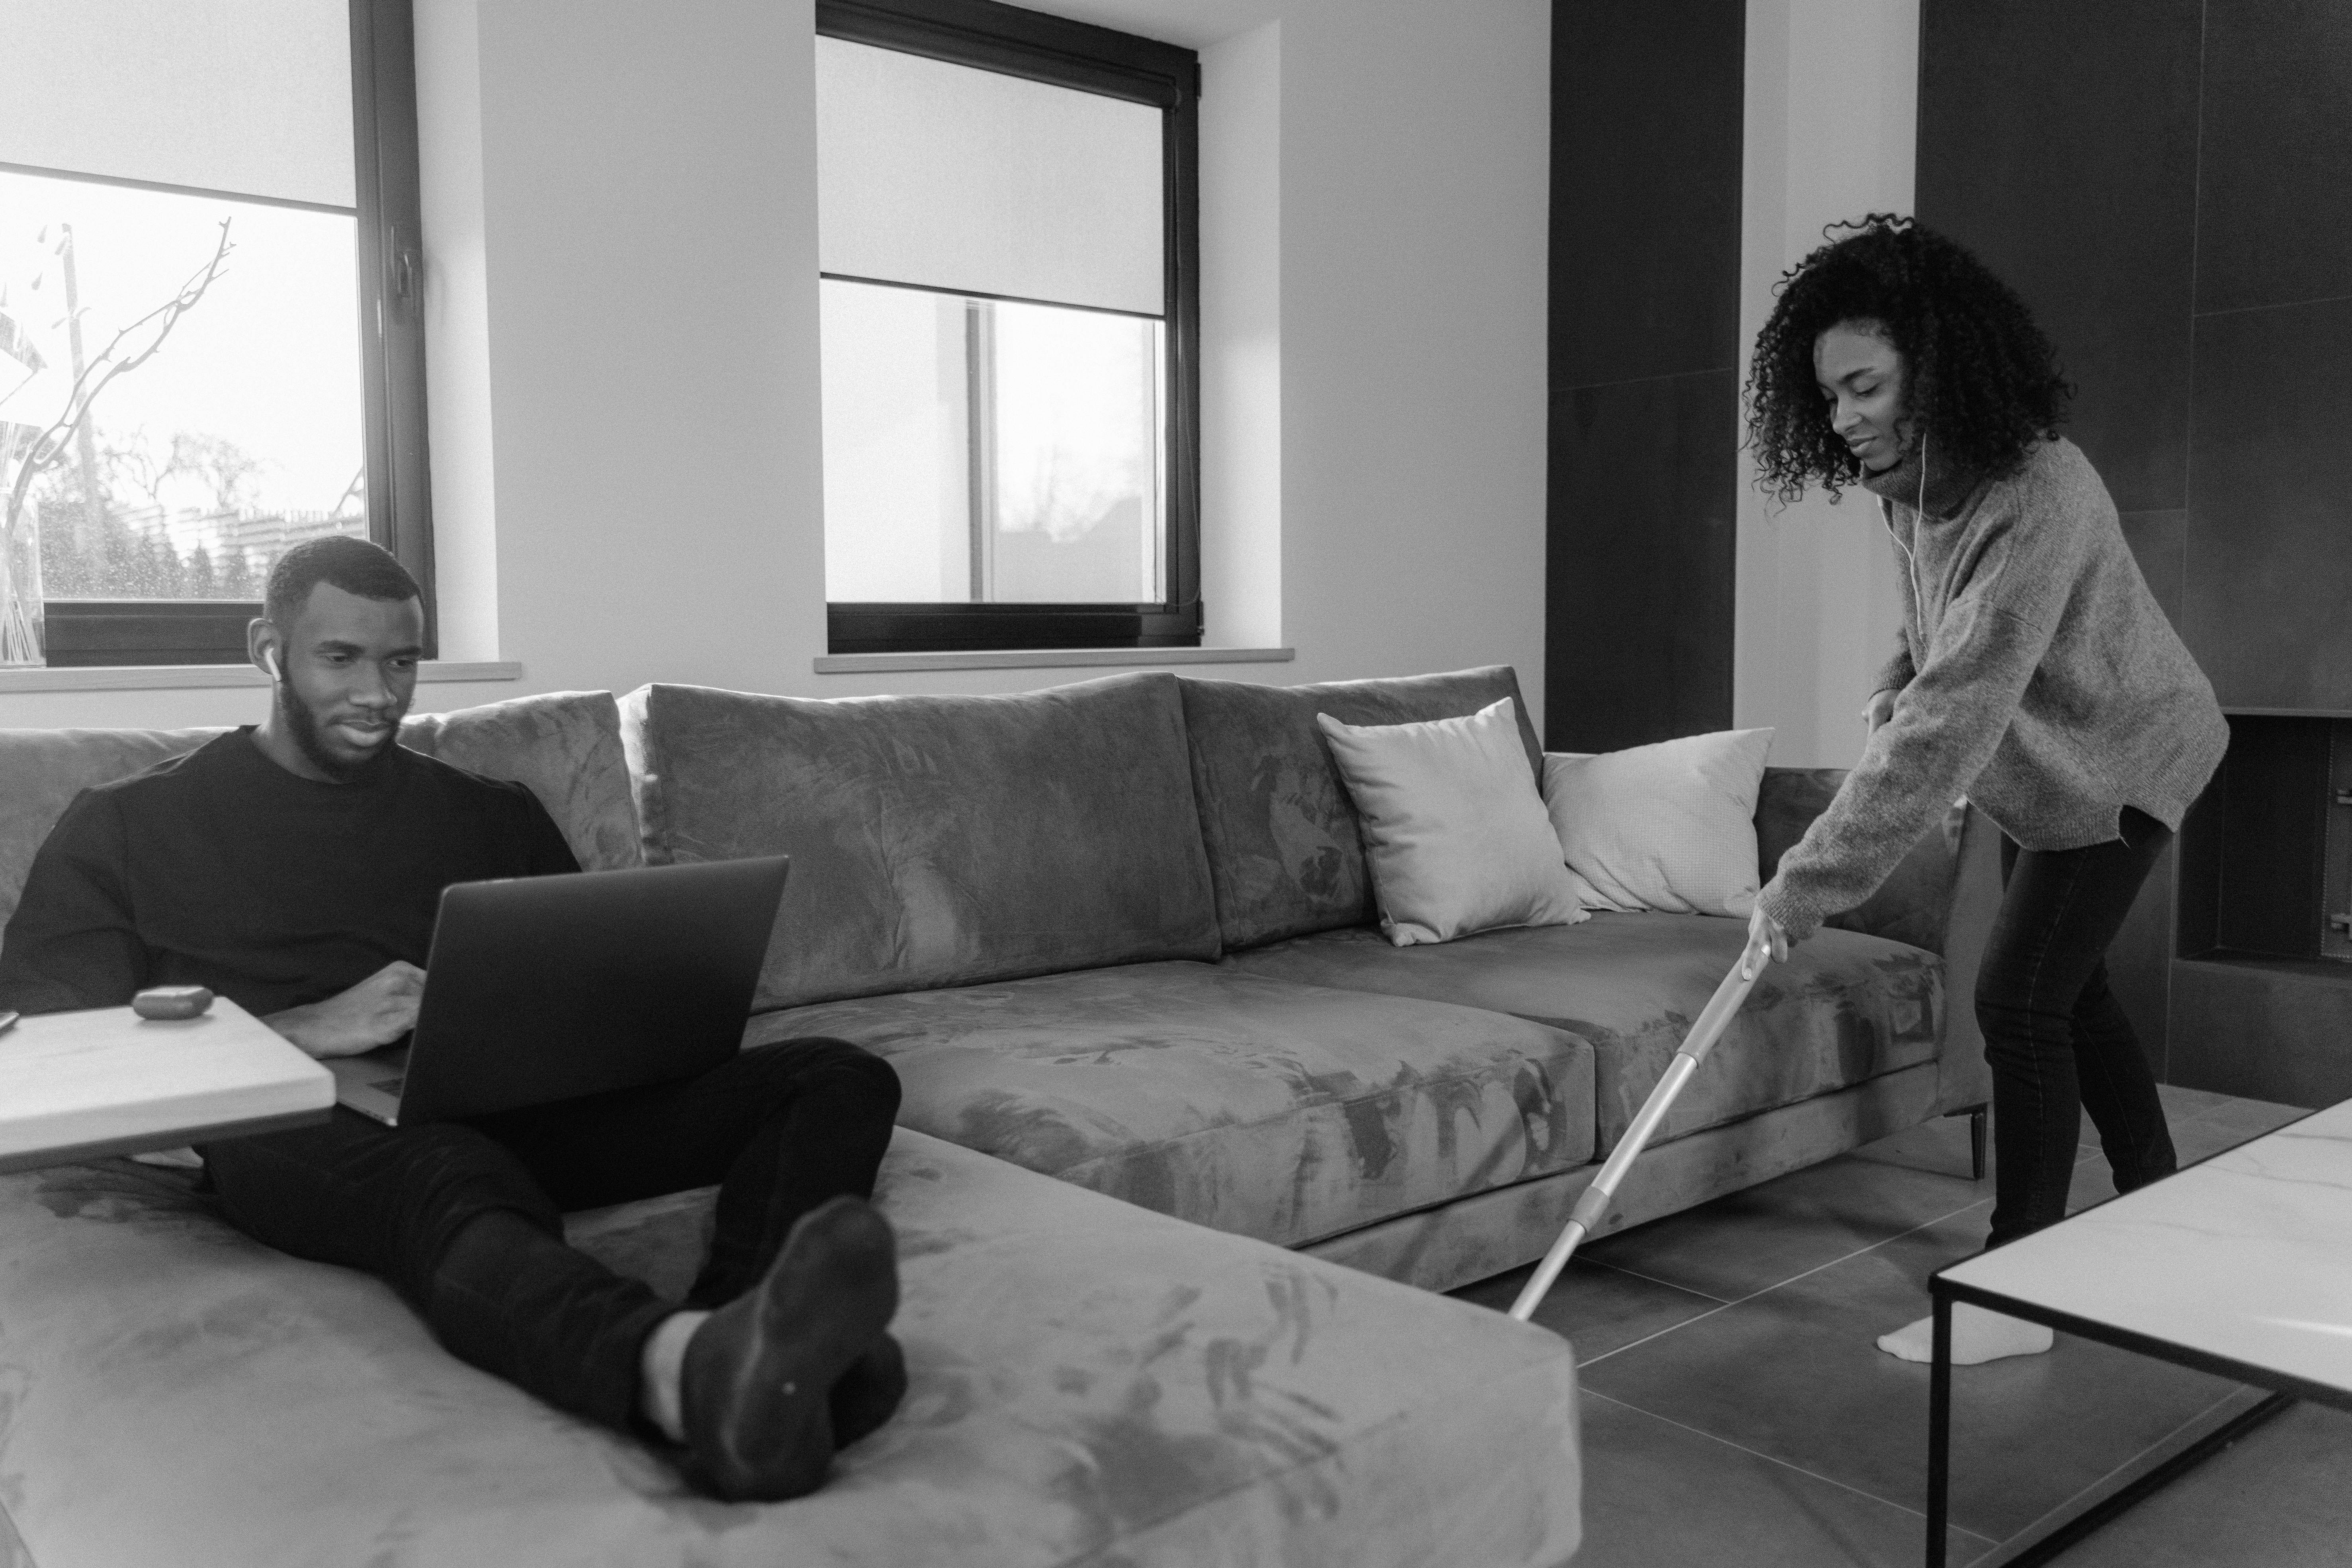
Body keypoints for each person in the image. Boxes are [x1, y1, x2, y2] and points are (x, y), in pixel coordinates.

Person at [0, 535, 904, 1500]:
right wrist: (304, 1027)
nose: (379, 695)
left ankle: (753, 1350)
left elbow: (591, 971)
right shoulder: (131, 823)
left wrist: (623, 1019)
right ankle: (671, 1369)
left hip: (516, 1099)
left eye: (401, 662)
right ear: (268, 648)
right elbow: (51, 1056)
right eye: (340, 658)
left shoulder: (488, 811)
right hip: (296, 1121)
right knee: (449, 1165)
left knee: (838, 1074)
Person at [1742, 216, 2228, 1365]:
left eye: (1865, 385)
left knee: (2016, 1001)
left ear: (1936, 364)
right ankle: (2162, 1199)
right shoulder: (1907, 485)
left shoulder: (2040, 489)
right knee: (2071, 994)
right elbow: (1940, 635)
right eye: (1828, 398)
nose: (1844, 417)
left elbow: (1956, 713)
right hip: (2048, 774)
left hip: (2127, 756)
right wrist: (1891, 678)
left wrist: (1798, 888)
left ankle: (2018, 1294)